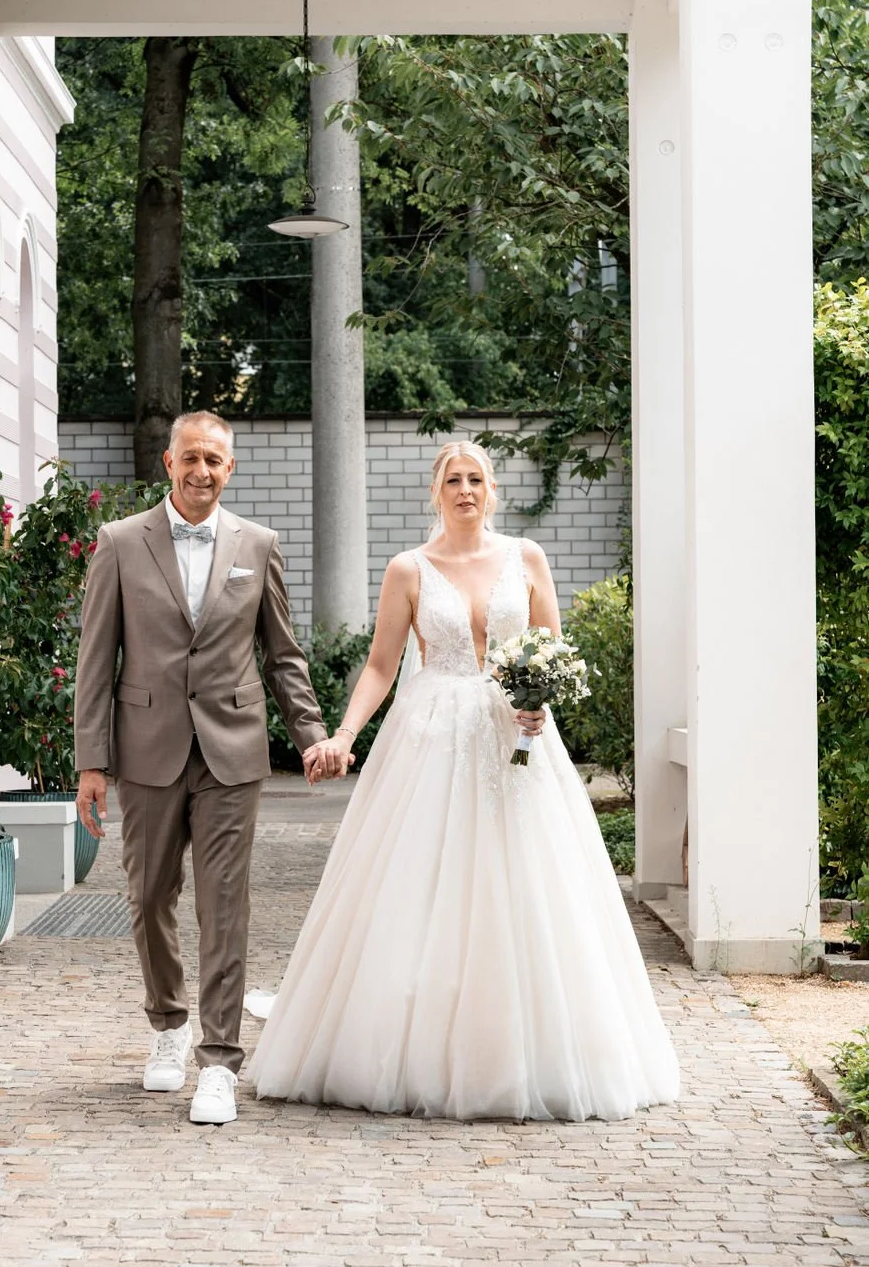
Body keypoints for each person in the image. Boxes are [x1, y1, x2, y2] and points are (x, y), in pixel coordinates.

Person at [250, 442, 680, 1122]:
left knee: (528, 881)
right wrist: (344, 734)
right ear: (436, 491)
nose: (465, 489)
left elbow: (552, 650)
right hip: (432, 740)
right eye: (452, 479)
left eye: (475, 478)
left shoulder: (526, 557)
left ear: (492, 489)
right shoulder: (408, 569)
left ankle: (530, 1047)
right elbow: (380, 666)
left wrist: (541, 703)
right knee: (424, 882)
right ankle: (417, 1043)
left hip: (516, 739)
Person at [74, 411, 335, 1126]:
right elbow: (95, 660)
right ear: (169, 462)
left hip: (231, 751)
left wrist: (310, 734)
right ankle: (167, 1023)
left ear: (230, 468)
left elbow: (283, 655)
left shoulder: (259, 545)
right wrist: (91, 761)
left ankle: (219, 1061)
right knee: (147, 896)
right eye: (190, 457)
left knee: (224, 906)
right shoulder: (120, 543)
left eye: (213, 460)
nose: (201, 471)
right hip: (146, 748)